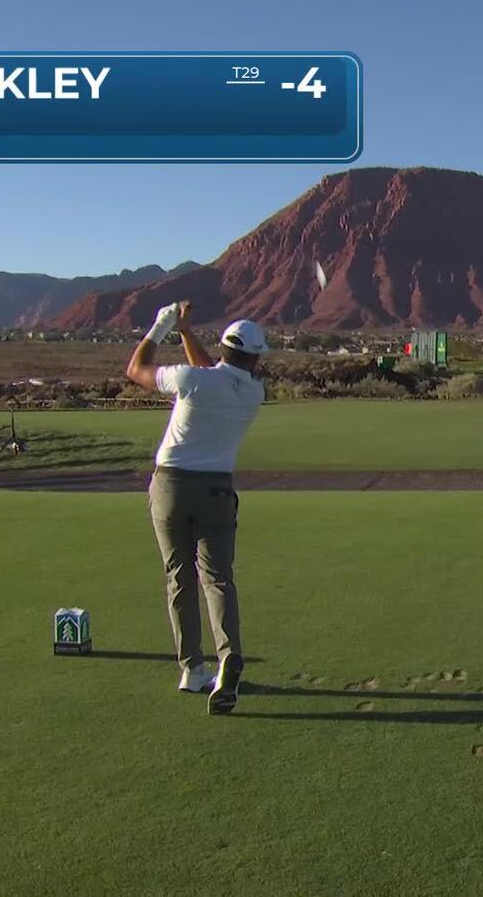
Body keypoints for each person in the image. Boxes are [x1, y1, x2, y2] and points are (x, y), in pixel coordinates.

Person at [125, 301, 267, 715]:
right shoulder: (253, 393)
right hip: (218, 491)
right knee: (218, 578)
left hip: (171, 485)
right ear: (255, 357)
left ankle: (191, 668)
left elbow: (136, 371)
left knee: (179, 577)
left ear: (223, 348)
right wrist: (186, 332)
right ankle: (228, 655)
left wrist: (161, 327)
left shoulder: (191, 380)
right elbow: (217, 374)